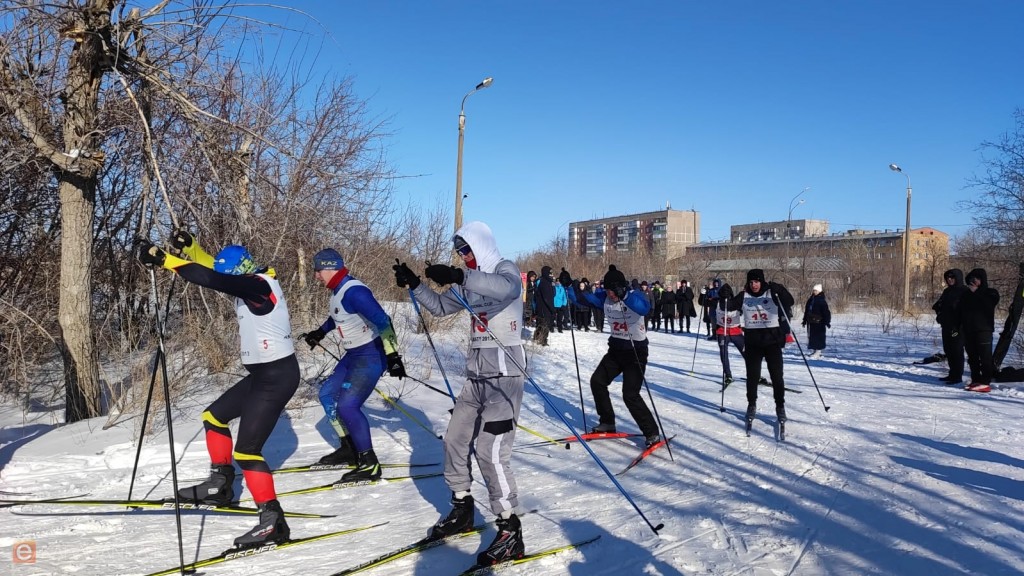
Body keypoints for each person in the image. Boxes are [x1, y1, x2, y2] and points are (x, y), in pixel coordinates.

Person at [138, 231, 298, 549]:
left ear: (237, 272)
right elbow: (216, 271)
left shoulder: (257, 287)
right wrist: (193, 249)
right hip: (263, 374)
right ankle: (220, 485)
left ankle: (273, 522)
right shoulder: (249, 278)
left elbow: (213, 279)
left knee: (247, 452)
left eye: (229, 275)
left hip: (277, 377)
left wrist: (166, 260)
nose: (226, 279)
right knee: (213, 416)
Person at [393, 221, 526, 565]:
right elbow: (439, 307)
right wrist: (416, 284)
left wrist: (460, 275)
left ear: (480, 245)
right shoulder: (467, 280)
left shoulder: (502, 268)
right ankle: (462, 507)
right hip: (477, 375)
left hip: (505, 374)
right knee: (454, 438)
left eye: (467, 250)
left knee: (490, 450)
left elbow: (508, 290)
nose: (463, 256)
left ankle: (510, 528)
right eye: (460, 252)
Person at [301, 248, 406, 479]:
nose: (316, 275)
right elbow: (338, 316)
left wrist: (393, 356)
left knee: (347, 406)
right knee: (328, 395)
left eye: (318, 270)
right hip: (353, 355)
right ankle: (350, 449)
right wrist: (319, 333)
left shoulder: (355, 291)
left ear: (330, 268)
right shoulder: (338, 291)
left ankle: (370, 464)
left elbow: (383, 321)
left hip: (370, 355)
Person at [566, 265, 661, 448]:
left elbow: (644, 308)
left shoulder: (634, 296)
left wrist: (624, 295)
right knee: (597, 381)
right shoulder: (604, 297)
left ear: (621, 288)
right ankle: (607, 421)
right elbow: (582, 300)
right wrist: (570, 285)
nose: (610, 294)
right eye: (607, 290)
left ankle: (652, 432)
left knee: (630, 395)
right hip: (616, 349)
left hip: (636, 352)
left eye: (612, 290)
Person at [726, 269, 795, 424]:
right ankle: (751, 404)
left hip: (772, 342)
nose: (754, 285)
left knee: (777, 377)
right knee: (752, 377)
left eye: (756, 282)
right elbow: (728, 306)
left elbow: (789, 301)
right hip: (753, 343)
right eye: (751, 282)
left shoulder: (772, 293)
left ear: (762, 281)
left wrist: (781, 290)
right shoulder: (744, 295)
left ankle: (780, 406)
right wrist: (723, 295)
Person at [958, 268, 1000, 393]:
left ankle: (985, 382)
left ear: (982, 280)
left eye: (976, 279)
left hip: (984, 330)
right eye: (971, 279)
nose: (973, 281)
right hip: (968, 330)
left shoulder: (991, 292)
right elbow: (961, 311)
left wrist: (976, 292)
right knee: (972, 357)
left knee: (985, 357)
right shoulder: (966, 294)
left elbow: (989, 304)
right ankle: (975, 379)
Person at [932, 269, 967, 384]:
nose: (950, 279)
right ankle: (952, 374)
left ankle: (957, 376)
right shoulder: (947, 291)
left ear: (958, 278)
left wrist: (959, 326)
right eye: (947, 278)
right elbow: (939, 305)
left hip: (958, 328)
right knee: (949, 350)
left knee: (957, 351)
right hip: (946, 326)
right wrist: (940, 314)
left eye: (952, 277)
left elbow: (966, 311)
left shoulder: (964, 291)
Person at [715, 283, 744, 383]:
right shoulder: (717, 302)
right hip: (722, 331)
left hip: (736, 331)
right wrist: (703, 295)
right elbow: (702, 303)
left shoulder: (736, 302)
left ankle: (755, 374)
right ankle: (728, 375)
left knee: (747, 353)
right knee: (723, 354)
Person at [802, 284, 832, 359]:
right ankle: (815, 350)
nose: (814, 292)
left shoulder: (821, 300)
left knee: (819, 337)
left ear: (819, 291)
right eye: (813, 290)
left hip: (819, 322)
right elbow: (807, 310)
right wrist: (804, 320)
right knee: (812, 337)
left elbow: (826, 312)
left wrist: (827, 321)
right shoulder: (811, 299)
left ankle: (818, 351)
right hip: (811, 321)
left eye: (815, 290)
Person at [533, 266, 555, 346]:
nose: (551, 274)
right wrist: (552, 309)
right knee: (544, 325)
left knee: (541, 324)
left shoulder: (548, 282)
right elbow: (547, 298)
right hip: (544, 309)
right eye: (550, 273)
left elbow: (552, 294)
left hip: (543, 308)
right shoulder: (544, 283)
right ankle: (542, 340)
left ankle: (536, 337)